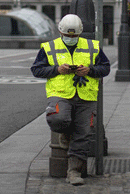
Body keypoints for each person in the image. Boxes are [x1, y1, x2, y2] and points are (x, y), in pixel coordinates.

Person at [30, 14, 110, 186]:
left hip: (86, 95)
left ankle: (73, 172)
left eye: (74, 35)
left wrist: (90, 70)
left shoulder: (92, 46)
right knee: (58, 119)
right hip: (60, 93)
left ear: (80, 33)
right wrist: (57, 69)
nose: (71, 38)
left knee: (83, 134)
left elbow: (105, 68)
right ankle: (65, 133)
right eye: (68, 35)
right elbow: (36, 70)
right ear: (60, 32)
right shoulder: (49, 47)